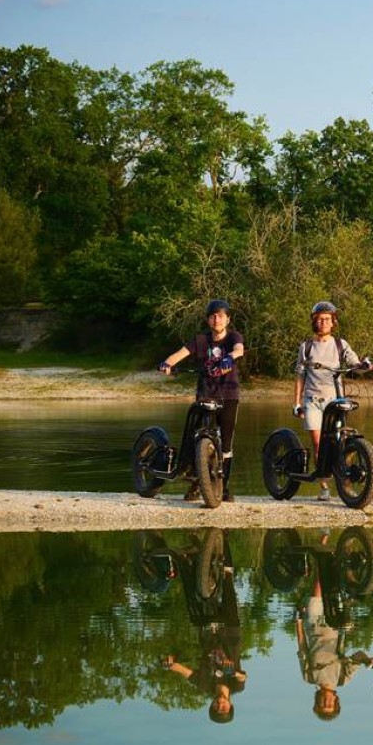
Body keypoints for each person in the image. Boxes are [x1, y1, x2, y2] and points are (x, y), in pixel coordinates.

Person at [158, 299, 244, 503]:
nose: (216, 319)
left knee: (226, 443)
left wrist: (228, 359)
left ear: (228, 319)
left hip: (229, 396)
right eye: (213, 316)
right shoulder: (201, 340)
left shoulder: (233, 337)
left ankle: (224, 487)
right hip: (205, 394)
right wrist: (167, 363)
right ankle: (197, 483)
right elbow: (180, 354)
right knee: (199, 438)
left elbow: (239, 349)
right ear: (208, 320)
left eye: (221, 316)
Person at [161, 530, 246, 723]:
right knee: (228, 581)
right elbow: (242, 678)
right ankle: (225, 538)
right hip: (230, 631)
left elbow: (186, 672)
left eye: (216, 708)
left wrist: (170, 664)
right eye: (224, 708)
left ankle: (184, 560)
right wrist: (232, 671)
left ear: (211, 705)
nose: (220, 705)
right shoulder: (235, 687)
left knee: (192, 598)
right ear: (230, 705)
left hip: (206, 632)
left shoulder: (204, 685)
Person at [292, 301, 373, 502]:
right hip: (312, 399)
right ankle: (324, 486)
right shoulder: (306, 347)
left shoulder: (340, 344)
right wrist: (296, 403)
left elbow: (355, 364)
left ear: (333, 322)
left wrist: (365, 365)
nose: (323, 322)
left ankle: (345, 484)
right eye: (319, 319)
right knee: (319, 444)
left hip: (335, 401)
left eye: (327, 319)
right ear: (314, 322)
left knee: (341, 442)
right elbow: (300, 376)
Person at [296, 575, 373, 721]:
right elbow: (357, 657)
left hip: (313, 625)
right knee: (339, 589)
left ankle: (322, 557)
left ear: (317, 703)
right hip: (336, 625)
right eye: (330, 705)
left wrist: (298, 621)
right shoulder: (342, 680)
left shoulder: (309, 677)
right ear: (336, 702)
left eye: (323, 705)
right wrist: (367, 660)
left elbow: (302, 648)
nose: (327, 702)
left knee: (319, 584)